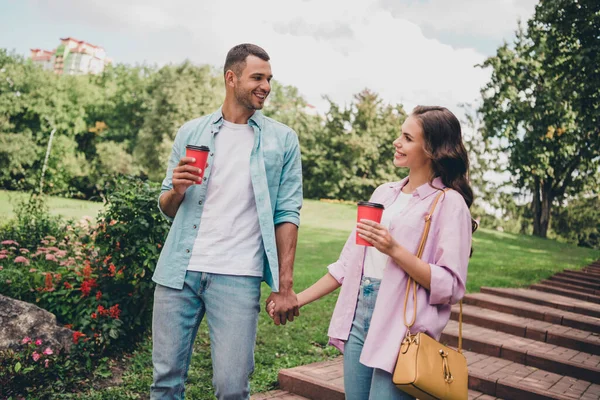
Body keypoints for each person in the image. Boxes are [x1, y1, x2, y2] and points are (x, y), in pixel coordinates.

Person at [269, 106, 476, 399]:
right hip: (359, 313)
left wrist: (393, 249)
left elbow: (450, 285)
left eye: (407, 137)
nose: (397, 142)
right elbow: (346, 265)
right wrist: (294, 300)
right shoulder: (383, 194)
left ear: (431, 149)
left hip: (401, 324)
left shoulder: (448, 203)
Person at [151, 43, 303, 400]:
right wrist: (176, 189)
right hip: (179, 272)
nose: (266, 86)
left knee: (232, 387)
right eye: (257, 77)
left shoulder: (282, 140)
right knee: (165, 381)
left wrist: (285, 285)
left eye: (269, 79)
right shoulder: (192, 132)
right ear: (231, 78)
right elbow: (167, 206)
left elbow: (287, 213)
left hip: (238, 276)